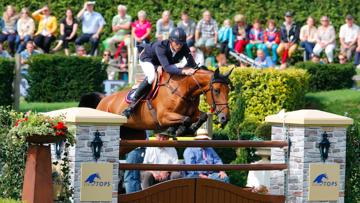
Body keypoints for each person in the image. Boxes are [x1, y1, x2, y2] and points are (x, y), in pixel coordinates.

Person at [122, 27, 197, 118]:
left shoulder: (183, 47)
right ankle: (132, 105)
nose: (179, 46)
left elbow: (192, 64)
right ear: (171, 41)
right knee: (151, 77)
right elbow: (168, 68)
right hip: (148, 59)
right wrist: (184, 71)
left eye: (181, 44)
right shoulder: (161, 46)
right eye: (177, 43)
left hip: (164, 63)